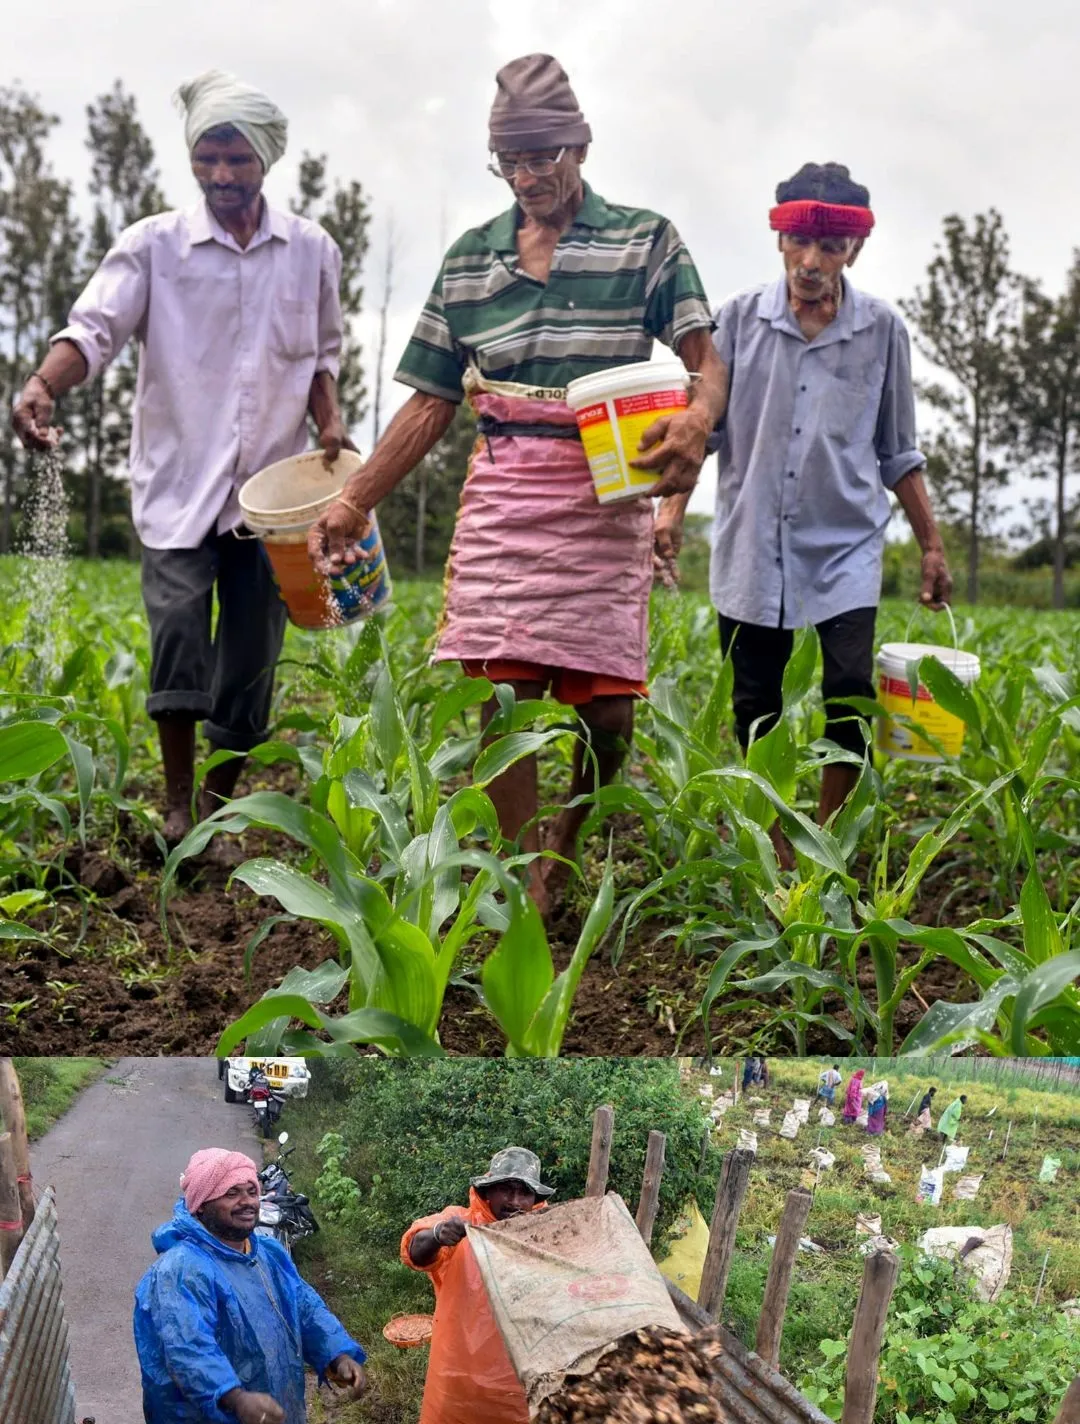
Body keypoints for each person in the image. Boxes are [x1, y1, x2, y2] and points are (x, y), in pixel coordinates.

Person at [309, 53, 724, 916]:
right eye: (512, 161)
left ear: (581, 144)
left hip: (605, 491)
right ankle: (521, 871)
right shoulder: (471, 260)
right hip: (505, 492)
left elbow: (705, 360)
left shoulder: (645, 240)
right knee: (502, 696)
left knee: (607, 712)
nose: (530, 177)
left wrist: (697, 420)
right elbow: (429, 403)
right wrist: (355, 500)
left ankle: (567, 842)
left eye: (545, 156)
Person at [12, 70, 347, 849]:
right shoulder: (154, 246)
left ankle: (219, 807)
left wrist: (330, 422)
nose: (222, 177)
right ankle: (174, 805)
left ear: (266, 160)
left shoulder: (311, 252)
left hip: (269, 495)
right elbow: (92, 331)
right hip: (176, 485)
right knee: (178, 637)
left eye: (237, 161)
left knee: (254, 657)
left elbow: (321, 359)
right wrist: (41, 384)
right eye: (208, 160)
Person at [656, 161, 953, 866]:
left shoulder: (882, 330)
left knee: (849, 689)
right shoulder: (733, 322)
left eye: (830, 247)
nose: (812, 262)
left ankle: (830, 839)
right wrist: (669, 514)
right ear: (780, 241)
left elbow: (898, 451)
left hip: (844, 544)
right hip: (753, 540)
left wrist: (933, 546)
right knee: (754, 698)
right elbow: (703, 433)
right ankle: (772, 841)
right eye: (800, 243)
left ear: (854, 250)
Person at [134, 1148, 367, 1424]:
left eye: (251, 1191)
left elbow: (305, 1306)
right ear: (202, 1204)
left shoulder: (266, 1255)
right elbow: (188, 1348)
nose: (247, 1202)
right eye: (231, 1193)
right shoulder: (183, 1270)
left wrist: (337, 1354)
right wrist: (235, 1397)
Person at [401, 1146, 565, 1424]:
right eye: (505, 1190)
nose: (514, 1201)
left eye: (524, 1192)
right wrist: (437, 1237)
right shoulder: (461, 1225)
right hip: (456, 1367)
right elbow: (417, 1250)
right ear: (486, 1193)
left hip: (513, 1377)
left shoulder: (546, 1237)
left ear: (536, 1199)